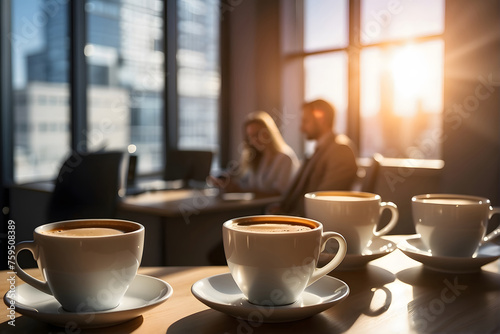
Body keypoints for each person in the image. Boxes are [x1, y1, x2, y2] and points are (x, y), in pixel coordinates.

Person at [270, 99, 358, 216]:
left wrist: (288, 217)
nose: (301, 128)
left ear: (321, 119)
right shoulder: (319, 151)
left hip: (309, 222)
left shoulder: (340, 151)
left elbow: (323, 202)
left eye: (305, 121)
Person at [210, 111, 300, 196]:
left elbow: (279, 193)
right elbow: (244, 181)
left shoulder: (285, 158)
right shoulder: (258, 158)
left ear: (269, 133)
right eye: (251, 136)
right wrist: (225, 182)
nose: (254, 140)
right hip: (256, 207)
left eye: (258, 134)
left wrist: (241, 190)